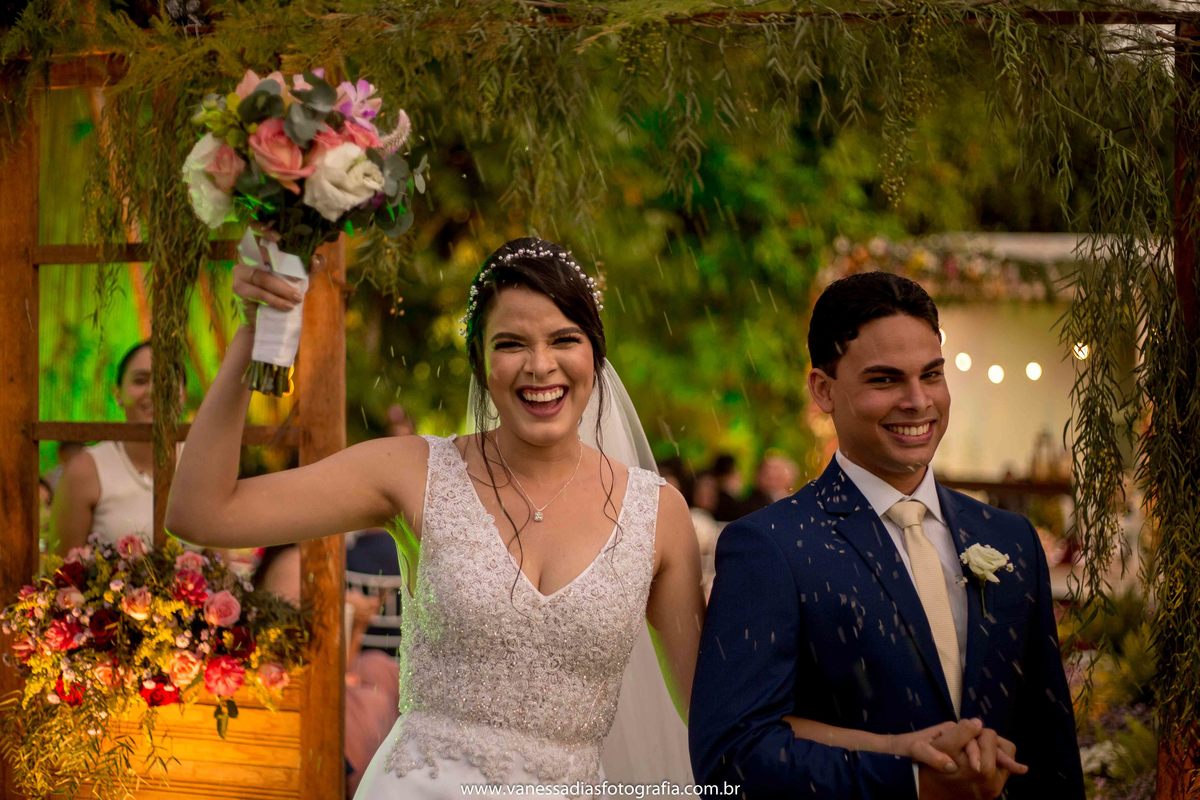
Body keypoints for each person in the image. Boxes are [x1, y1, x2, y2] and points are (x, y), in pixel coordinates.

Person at [166, 237, 707, 798]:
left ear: (594, 352)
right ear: (479, 360)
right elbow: (203, 513)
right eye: (510, 343)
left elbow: (709, 710)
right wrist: (252, 338)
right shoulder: (414, 473)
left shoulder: (657, 514)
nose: (540, 365)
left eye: (564, 340)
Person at [689, 272, 1084, 798]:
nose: (918, 400)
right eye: (885, 380)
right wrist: (912, 783)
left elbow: (1048, 744)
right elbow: (731, 758)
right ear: (823, 391)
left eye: (932, 375)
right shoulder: (772, 547)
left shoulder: (1009, 538)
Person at [256, 544, 401, 797]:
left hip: (324, 677)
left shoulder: (309, 559)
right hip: (296, 691)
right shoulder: (298, 562)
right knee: (374, 701)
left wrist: (356, 623)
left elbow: (341, 663)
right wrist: (350, 613)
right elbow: (324, 665)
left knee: (380, 667)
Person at [51, 342, 174, 552]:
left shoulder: (202, 466)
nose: (153, 391)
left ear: (182, 393)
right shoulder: (86, 469)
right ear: (117, 393)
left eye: (165, 380)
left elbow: (221, 565)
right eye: (140, 380)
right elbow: (63, 572)